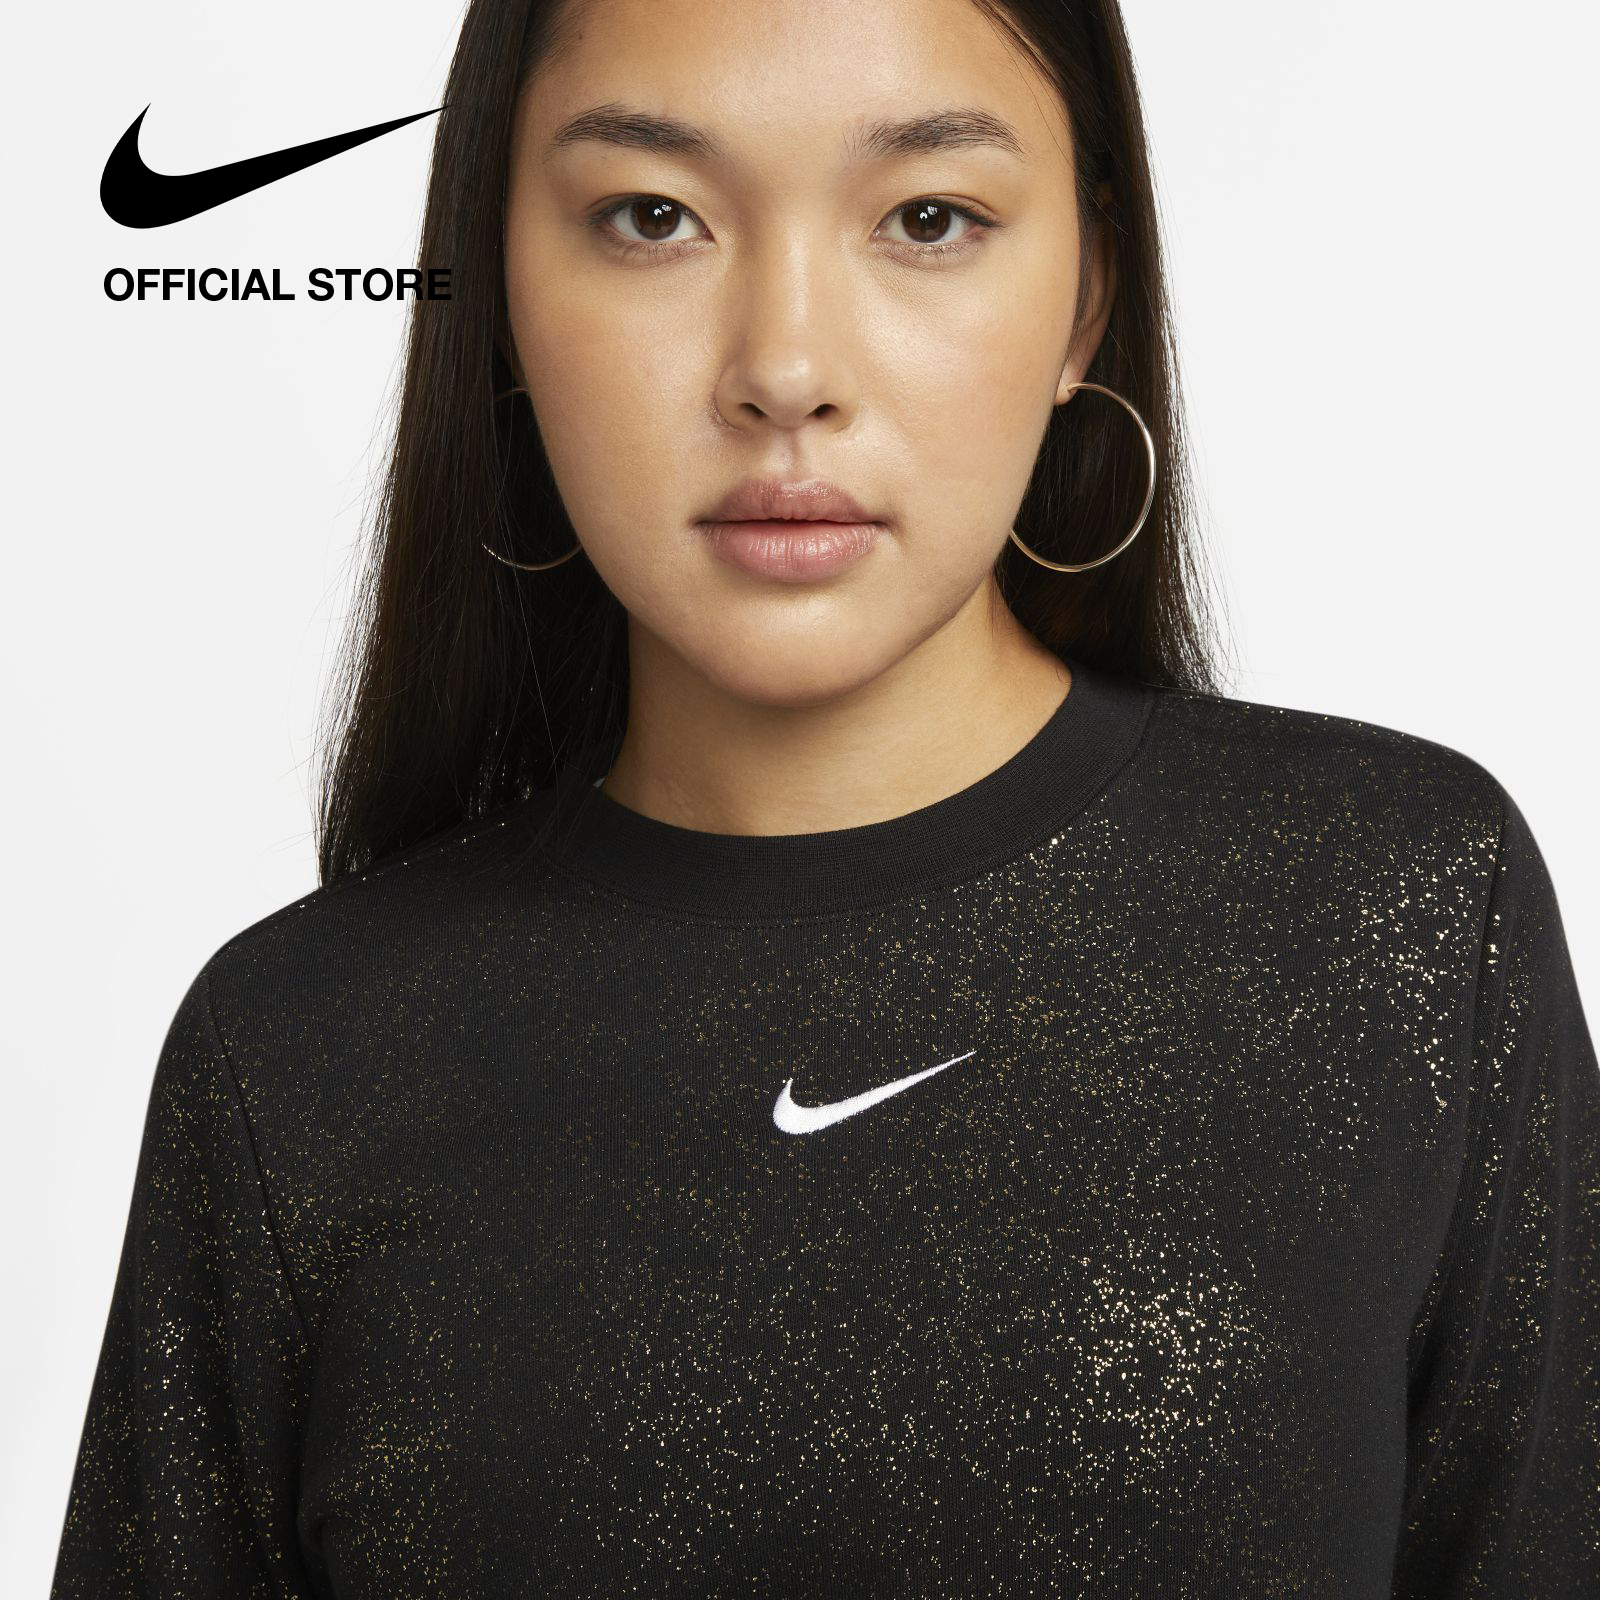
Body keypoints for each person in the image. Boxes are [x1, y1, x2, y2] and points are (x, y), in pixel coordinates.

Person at [50, 0, 1598, 1594]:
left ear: (1086, 301)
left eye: (927, 219)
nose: (785, 370)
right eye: (652, 218)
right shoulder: (297, 1062)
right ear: (501, 292)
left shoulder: (1392, 912)